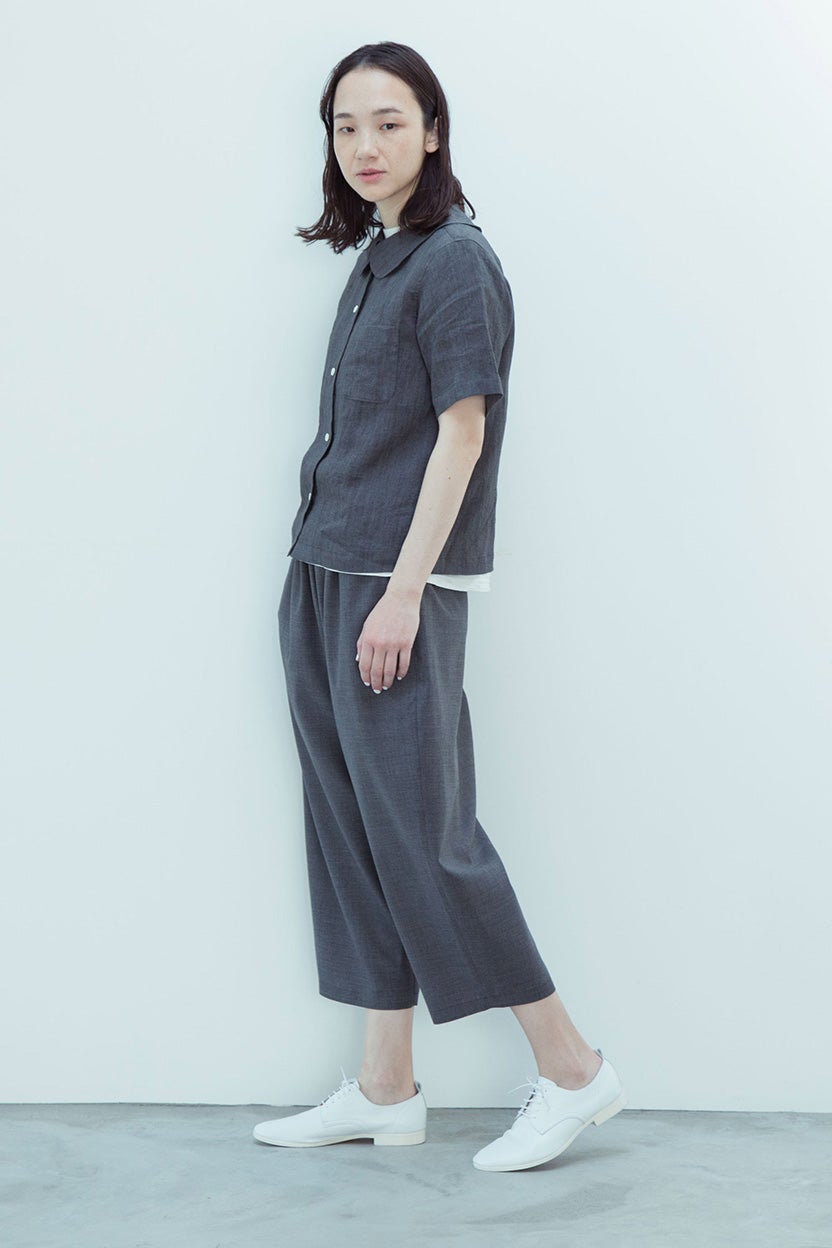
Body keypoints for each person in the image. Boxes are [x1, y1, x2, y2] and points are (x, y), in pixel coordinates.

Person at [253, 41, 626, 1172]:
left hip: (391, 587)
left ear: (432, 129)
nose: (364, 145)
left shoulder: (457, 261)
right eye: (345, 126)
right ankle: (386, 1086)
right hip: (323, 569)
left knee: (430, 836)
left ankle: (574, 1070)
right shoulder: (378, 258)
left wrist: (404, 594)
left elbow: (463, 435)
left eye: (388, 122)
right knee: (351, 828)